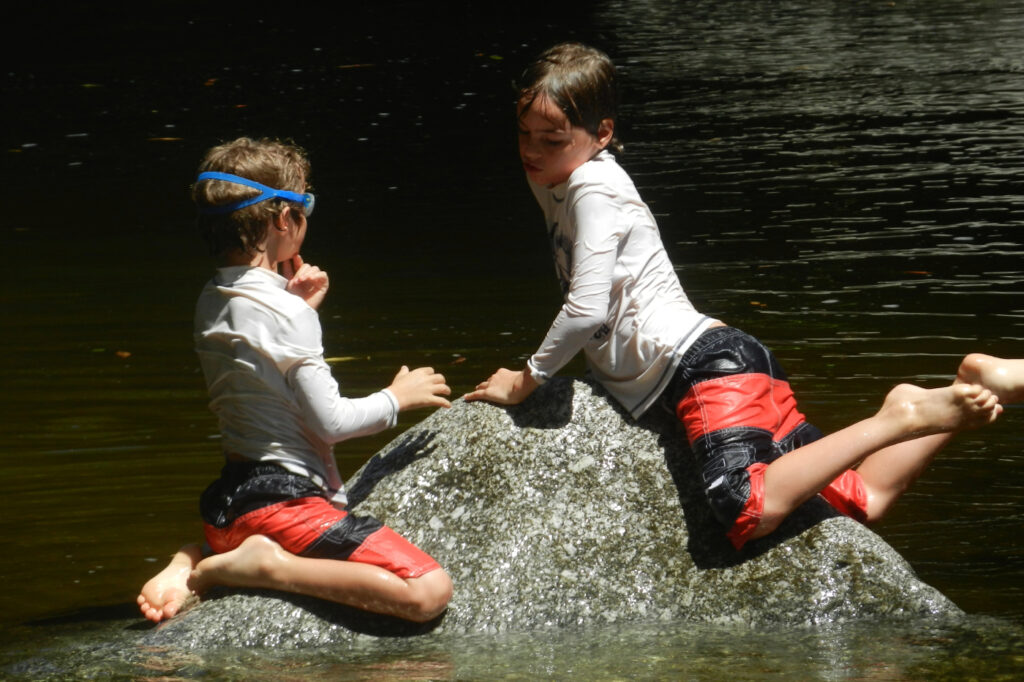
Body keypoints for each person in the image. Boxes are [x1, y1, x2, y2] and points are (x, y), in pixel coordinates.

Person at [465, 43, 1004, 551]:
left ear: (603, 132)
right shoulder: (563, 174)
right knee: (861, 499)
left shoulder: (593, 188)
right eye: (524, 133)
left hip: (699, 369)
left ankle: (899, 417)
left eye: (551, 139)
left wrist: (526, 379)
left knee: (744, 505)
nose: (533, 152)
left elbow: (585, 311)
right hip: (728, 361)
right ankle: (971, 385)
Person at [138, 137, 453, 624]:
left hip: (229, 508)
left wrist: (297, 306)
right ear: (283, 219)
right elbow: (330, 422)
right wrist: (396, 398)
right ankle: (268, 567)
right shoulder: (284, 313)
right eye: (307, 204)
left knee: (245, 528)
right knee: (427, 591)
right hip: (282, 511)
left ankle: (195, 555)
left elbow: (260, 369)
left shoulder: (209, 297)